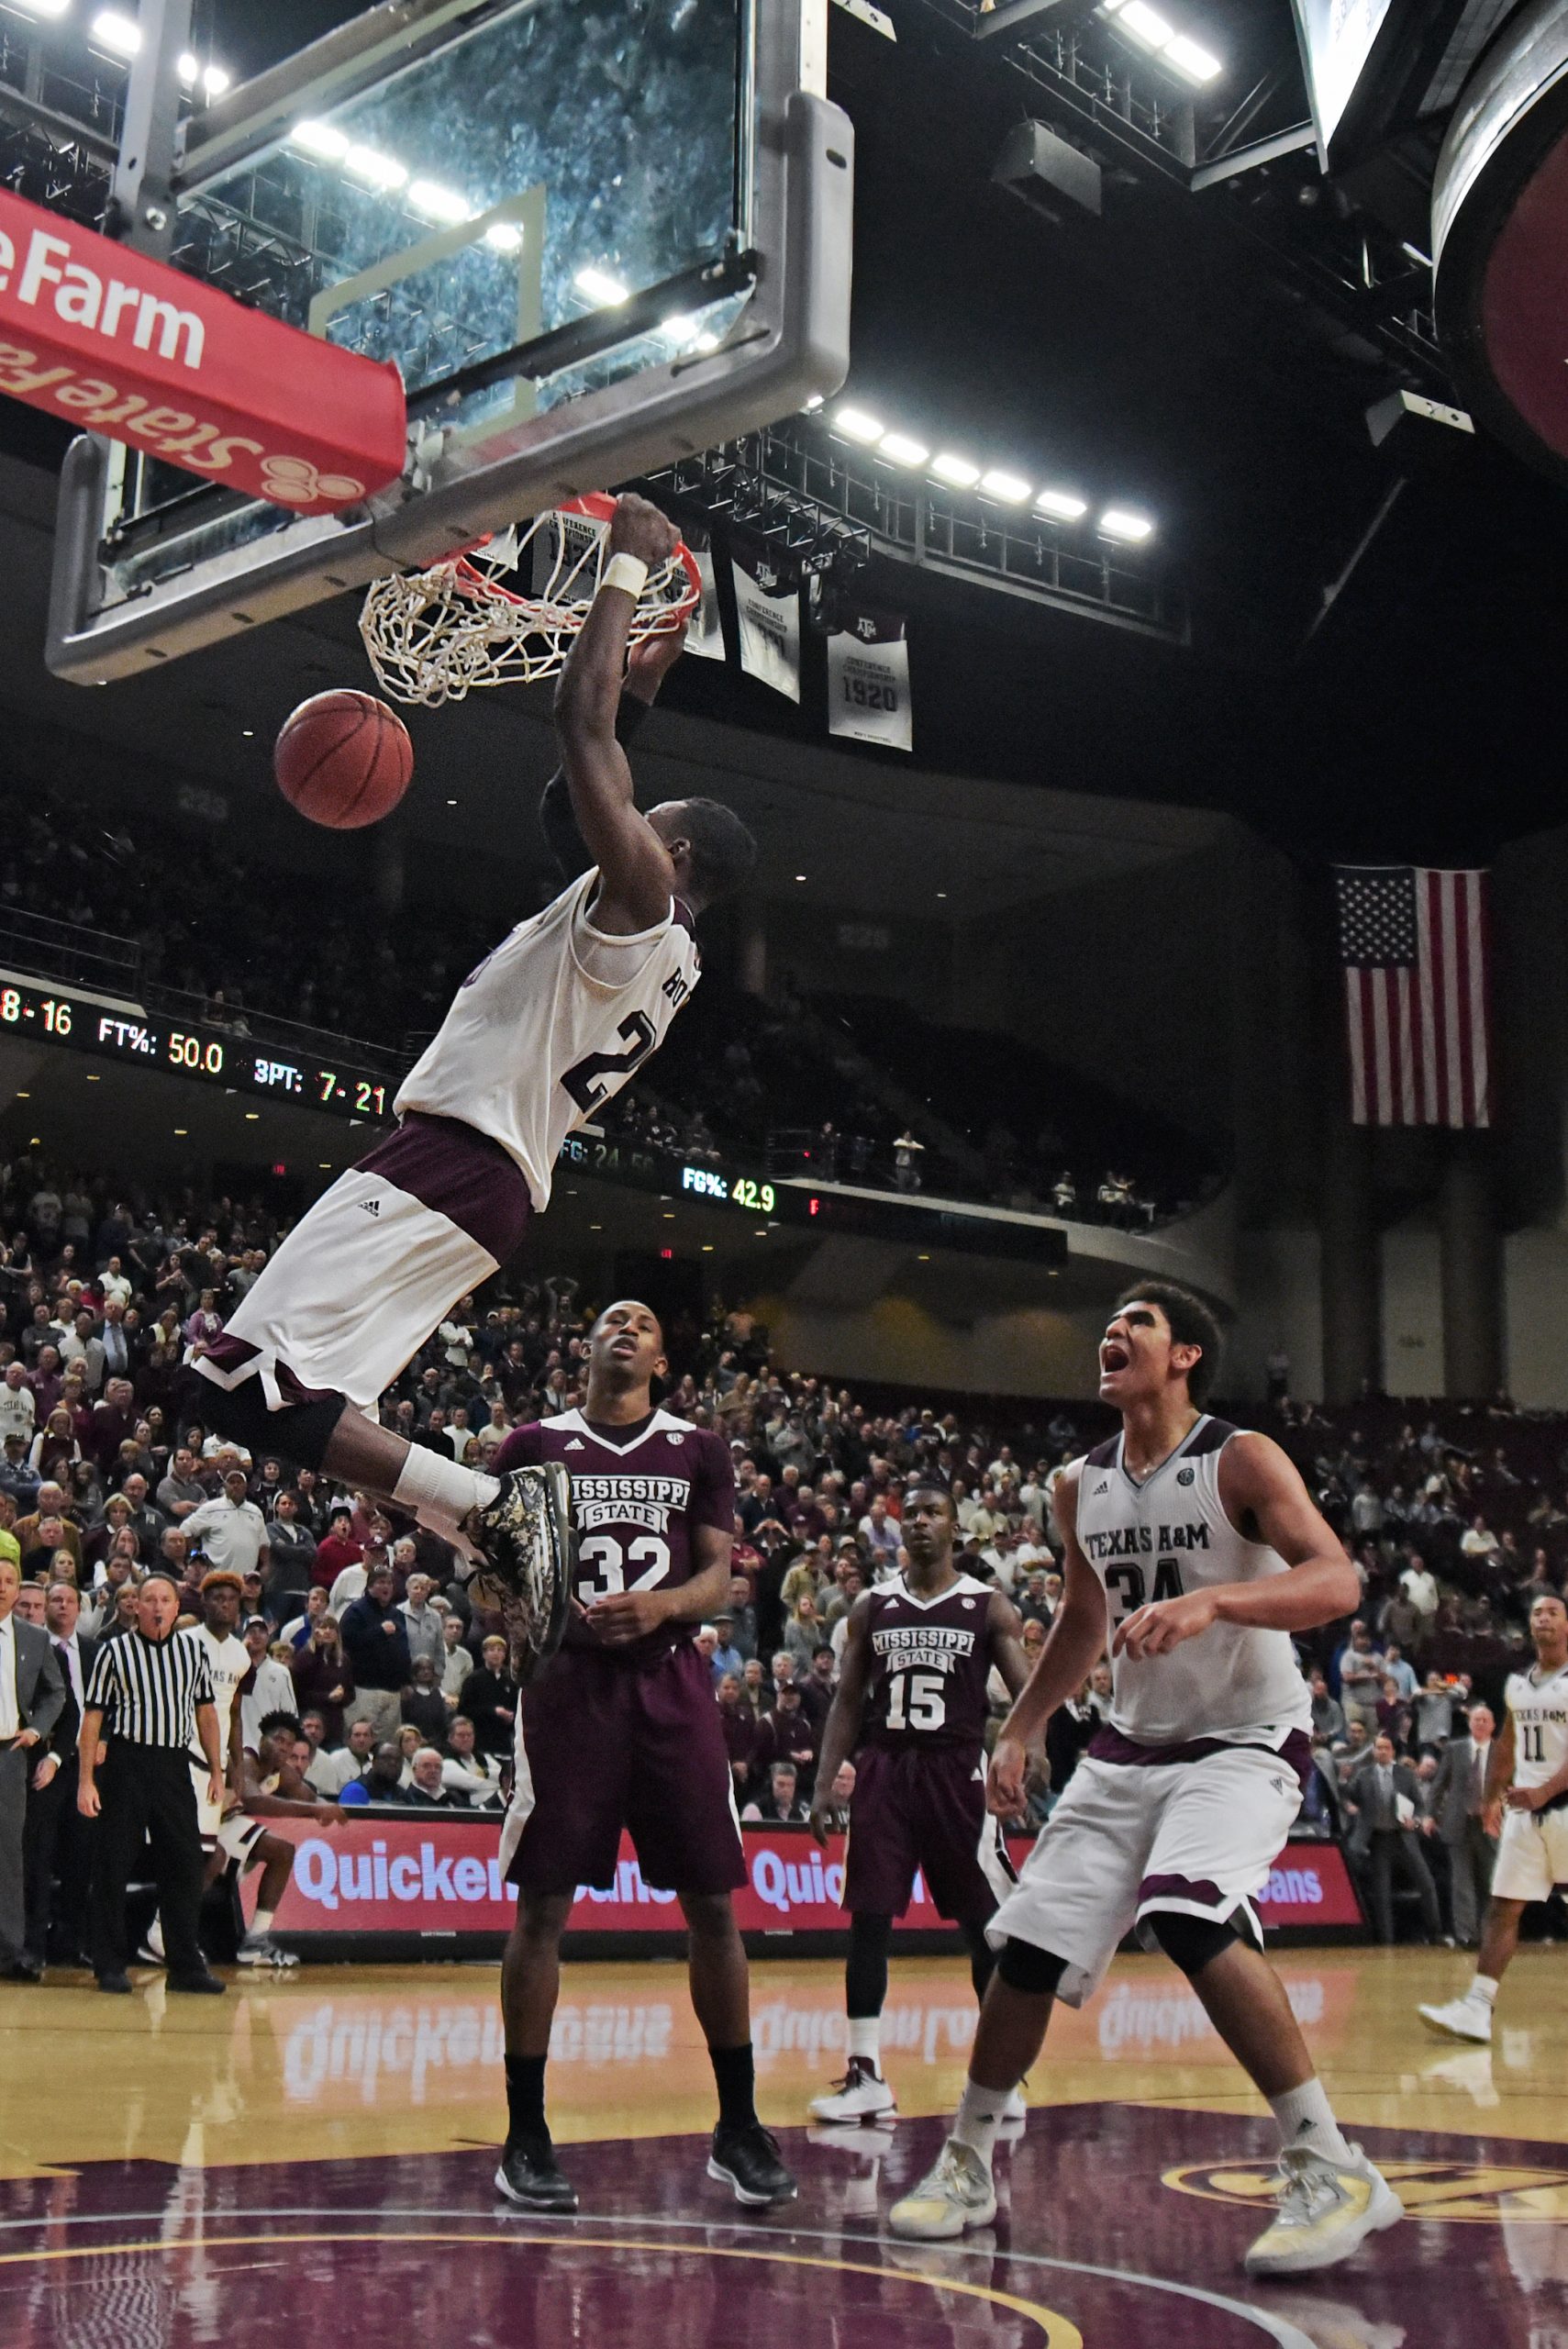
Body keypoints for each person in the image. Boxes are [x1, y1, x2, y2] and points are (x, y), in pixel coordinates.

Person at [185, 495, 756, 1673]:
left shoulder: (642, 905)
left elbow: (576, 730)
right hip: (476, 1179)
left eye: (646, 819)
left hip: (452, 1161)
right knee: (251, 1389)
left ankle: (494, 1510)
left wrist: (621, 572)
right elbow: (571, 797)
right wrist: (654, 643)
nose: (623, 814)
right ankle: (476, 1518)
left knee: (234, 1381)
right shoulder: (644, 935)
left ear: (675, 855)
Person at [888, 1283, 1401, 2278]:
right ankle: (967, 2161)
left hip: (1243, 1740)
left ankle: (1328, 2162)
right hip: (1129, 1745)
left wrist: (1218, 1601)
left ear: (1184, 1358)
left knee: (1188, 1911)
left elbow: (1336, 1579)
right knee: (1027, 1945)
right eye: (1108, 1323)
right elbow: (1084, 1616)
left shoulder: (1237, 1457)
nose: (1111, 1332)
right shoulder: (1078, 1482)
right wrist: (1021, 1725)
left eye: (1138, 1324)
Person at [489, 1297, 795, 2215]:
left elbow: (717, 1578)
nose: (623, 1326)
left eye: (643, 1323)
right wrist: (507, 1613)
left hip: (668, 1680)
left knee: (712, 1901)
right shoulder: (528, 1444)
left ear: (660, 1358)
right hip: (566, 1684)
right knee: (543, 1905)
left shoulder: (697, 1446)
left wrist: (659, 1607)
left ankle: (737, 2125)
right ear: (583, 1343)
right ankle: (525, 2134)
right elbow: (492, 1567)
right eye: (609, 1318)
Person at [806, 1478, 1030, 2123]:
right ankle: (864, 2073)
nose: (920, 1523)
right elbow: (848, 1699)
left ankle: (999, 2076)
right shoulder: (872, 1605)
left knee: (982, 1925)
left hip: (958, 1770)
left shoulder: (987, 1606)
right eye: (911, 1514)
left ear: (954, 1527)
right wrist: (826, 1782)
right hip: (885, 1769)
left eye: (934, 1512)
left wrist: (1028, 1748)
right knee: (868, 1917)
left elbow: (1026, 1692)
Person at [1418, 1591, 1568, 2043]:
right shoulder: (1518, 1683)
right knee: (1503, 1907)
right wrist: (1490, 1799)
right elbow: (1507, 1742)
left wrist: (1544, 1790)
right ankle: (1477, 2008)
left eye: (1553, 1612)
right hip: (1526, 1812)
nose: (1543, 1617)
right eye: (1537, 1612)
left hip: (1562, 1807)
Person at [78, 1575, 226, 1995]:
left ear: (177, 1608)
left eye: (166, 1599)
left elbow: (207, 1714)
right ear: (135, 1606)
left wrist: (217, 1770)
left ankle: (184, 1965)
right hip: (126, 1762)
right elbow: (93, 1720)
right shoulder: (114, 1652)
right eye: (149, 1600)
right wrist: (86, 1780)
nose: (158, 1606)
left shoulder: (192, 1651)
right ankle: (109, 1964)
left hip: (173, 1765)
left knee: (183, 1865)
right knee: (113, 1865)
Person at [18, 1579, 96, 1975]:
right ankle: (32, 1945)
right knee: (37, 1858)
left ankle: (71, 1941)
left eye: (69, 1600)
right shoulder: (25, 1647)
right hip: (29, 1766)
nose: (34, 1612)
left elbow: (81, 1711)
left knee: (80, 1859)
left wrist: (62, 1754)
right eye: (29, 1606)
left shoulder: (85, 1652)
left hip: (75, 1765)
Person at [0, 1555, 66, 1979]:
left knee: (8, 1855)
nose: (2, 1586)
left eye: (9, 1580)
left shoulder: (34, 1638)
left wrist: (38, 1730)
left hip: (8, 1755)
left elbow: (55, 1692)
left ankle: (9, 1951)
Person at [1343, 1732, 1442, 1944]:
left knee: (1426, 1883)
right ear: (1373, 1751)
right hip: (1379, 1839)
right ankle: (1386, 1940)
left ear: (1393, 1751)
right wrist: (1344, 1778)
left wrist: (1415, 1821)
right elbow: (1350, 1796)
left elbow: (1420, 1804)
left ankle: (1435, 1934)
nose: (1381, 1751)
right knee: (1382, 1892)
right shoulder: (1364, 1775)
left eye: (1385, 1748)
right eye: (1378, 1747)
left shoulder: (1405, 1775)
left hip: (1403, 1836)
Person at [1425, 1702, 1499, 1946]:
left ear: (1492, 1726)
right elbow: (1438, 1785)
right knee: (1461, 1882)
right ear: (1469, 1723)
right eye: (1476, 1719)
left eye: (1484, 1720)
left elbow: (1512, 1787)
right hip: (1458, 1822)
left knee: (1491, 1881)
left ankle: (1490, 1934)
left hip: (1491, 1824)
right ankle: (1466, 1935)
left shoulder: (1502, 1752)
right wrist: (1429, 1814)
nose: (1479, 1723)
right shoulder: (1455, 1749)